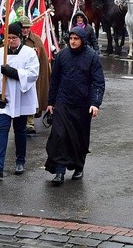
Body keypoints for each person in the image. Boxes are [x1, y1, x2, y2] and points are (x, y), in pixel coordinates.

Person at [45, 26, 105, 185]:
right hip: (63, 102)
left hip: (82, 104)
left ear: (82, 40)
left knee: (79, 138)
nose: (72, 41)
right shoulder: (62, 55)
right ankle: (59, 171)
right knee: (59, 135)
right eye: (70, 38)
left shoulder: (91, 56)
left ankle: (79, 166)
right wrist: (51, 102)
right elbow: (55, 80)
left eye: (76, 39)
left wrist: (95, 103)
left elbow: (98, 82)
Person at [0, 22, 40, 178]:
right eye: (8, 37)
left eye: (14, 37)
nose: (11, 40)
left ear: (20, 37)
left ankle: (20, 161)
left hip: (21, 97)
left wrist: (14, 73)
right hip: (4, 99)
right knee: (2, 129)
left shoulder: (29, 53)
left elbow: (33, 73)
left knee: (20, 130)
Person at [18, 15, 50, 135]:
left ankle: (30, 123)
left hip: (32, 76)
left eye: (27, 27)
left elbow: (43, 59)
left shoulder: (36, 40)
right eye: (23, 28)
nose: (25, 30)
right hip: (18, 75)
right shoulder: (13, 39)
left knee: (31, 98)